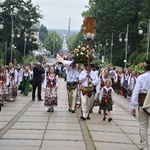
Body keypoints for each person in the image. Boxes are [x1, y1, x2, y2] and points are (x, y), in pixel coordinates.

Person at [131, 59, 150, 150]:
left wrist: (133, 106)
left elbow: (136, 92)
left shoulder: (141, 77)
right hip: (144, 102)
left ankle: (145, 147)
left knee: (143, 126)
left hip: (144, 102)